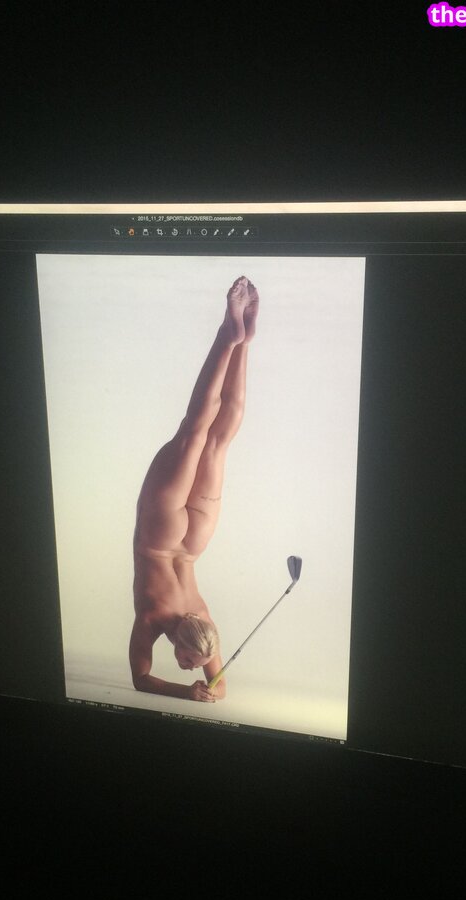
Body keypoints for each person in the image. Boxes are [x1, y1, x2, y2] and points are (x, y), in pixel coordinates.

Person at [129, 276, 259, 703]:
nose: (188, 667)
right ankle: (230, 337)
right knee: (199, 433)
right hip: (162, 539)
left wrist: (201, 691)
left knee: (215, 438)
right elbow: (141, 679)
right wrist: (192, 693)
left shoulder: (204, 623)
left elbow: (219, 690)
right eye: (189, 662)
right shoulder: (152, 618)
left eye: (191, 663)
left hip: (194, 540)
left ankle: (242, 341)